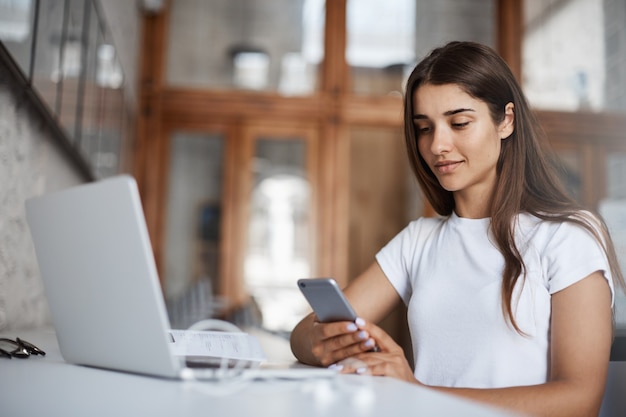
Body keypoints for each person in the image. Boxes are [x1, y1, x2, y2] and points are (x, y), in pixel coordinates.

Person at [290, 41, 625, 417]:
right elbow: (302, 334)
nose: (437, 145)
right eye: (423, 128)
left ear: (506, 121)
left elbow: (579, 401)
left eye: (459, 123)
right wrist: (321, 343)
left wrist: (418, 393)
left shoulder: (567, 237)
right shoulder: (419, 240)